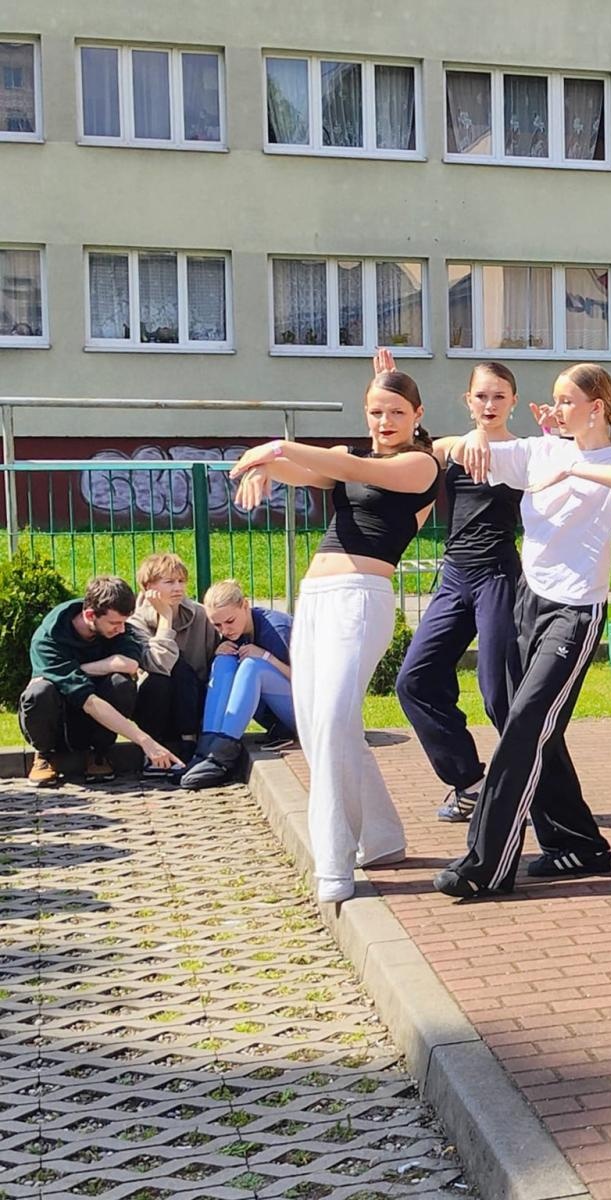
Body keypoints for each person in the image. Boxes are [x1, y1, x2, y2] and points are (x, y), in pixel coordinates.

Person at [433, 364, 611, 899]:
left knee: (525, 726)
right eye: (553, 400)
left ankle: (486, 865)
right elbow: (449, 447)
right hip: (529, 604)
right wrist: (469, 439)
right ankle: (579, 843)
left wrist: (579, 470)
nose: (555, 409)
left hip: (574, 615)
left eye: (566, 400)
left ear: (595, 407)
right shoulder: (540, 451)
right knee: (535, 729)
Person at [229, 359, 440, 904]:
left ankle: (335, 862)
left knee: (326, 723)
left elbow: (335, 468)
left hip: (361, 601)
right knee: (328, 724)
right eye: (375, 411)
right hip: (316, 599)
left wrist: (276, 449)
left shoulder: (421, 466)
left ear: (417, 415)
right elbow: (309, 471)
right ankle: (383, 837)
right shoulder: (351, 459)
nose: (384, 420)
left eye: (396, 411)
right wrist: (270, 467)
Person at [395, 360, 526, 823]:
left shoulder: (524, 452)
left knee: (500, 693)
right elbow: (401, 447)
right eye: (481, 396)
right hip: (454, 576)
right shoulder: (450, 448)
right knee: (415, 681)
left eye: (499, 396)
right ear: (467, 401)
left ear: (513, 401)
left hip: (498, 576)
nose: (490, 404)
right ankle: (469, 782)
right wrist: (385, 389)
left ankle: (526, 791)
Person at [21, 575, 181, 786]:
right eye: (115, 623)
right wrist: (146, 742)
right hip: (62, 714)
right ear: (89, 615)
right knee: (39, 692)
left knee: (121, 684)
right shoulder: (48, 640)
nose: (122, 630)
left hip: (97, 716)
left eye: (125, 622)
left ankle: (99, 753)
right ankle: (44, 754)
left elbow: (130, 664)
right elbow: (89, 702)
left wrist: (76, 670)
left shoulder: (117, 626)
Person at [179, 578, 296, 789]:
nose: (225, 630)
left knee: (253, 665)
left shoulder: (278, 628)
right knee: (224, 660)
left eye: (230, 621)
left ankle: (223, 757)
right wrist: (218, 652)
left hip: (309, 714)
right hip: (276, 715)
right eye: (217, 625)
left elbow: (310, 684)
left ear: (245, 605)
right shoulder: (235, 632)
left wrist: (267, 657)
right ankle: (207, 750)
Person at [129, 551, 219, 771]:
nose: (178, 588)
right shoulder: (135, 623)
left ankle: (191, 744)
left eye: (181, 581)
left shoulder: (200, 615)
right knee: (167, 670)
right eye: (169, 582)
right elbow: (160, 663)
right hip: (156, 710)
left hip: (194, 705)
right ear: (148, 587)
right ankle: (152, 754)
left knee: (185, 670)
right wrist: (166, 618)